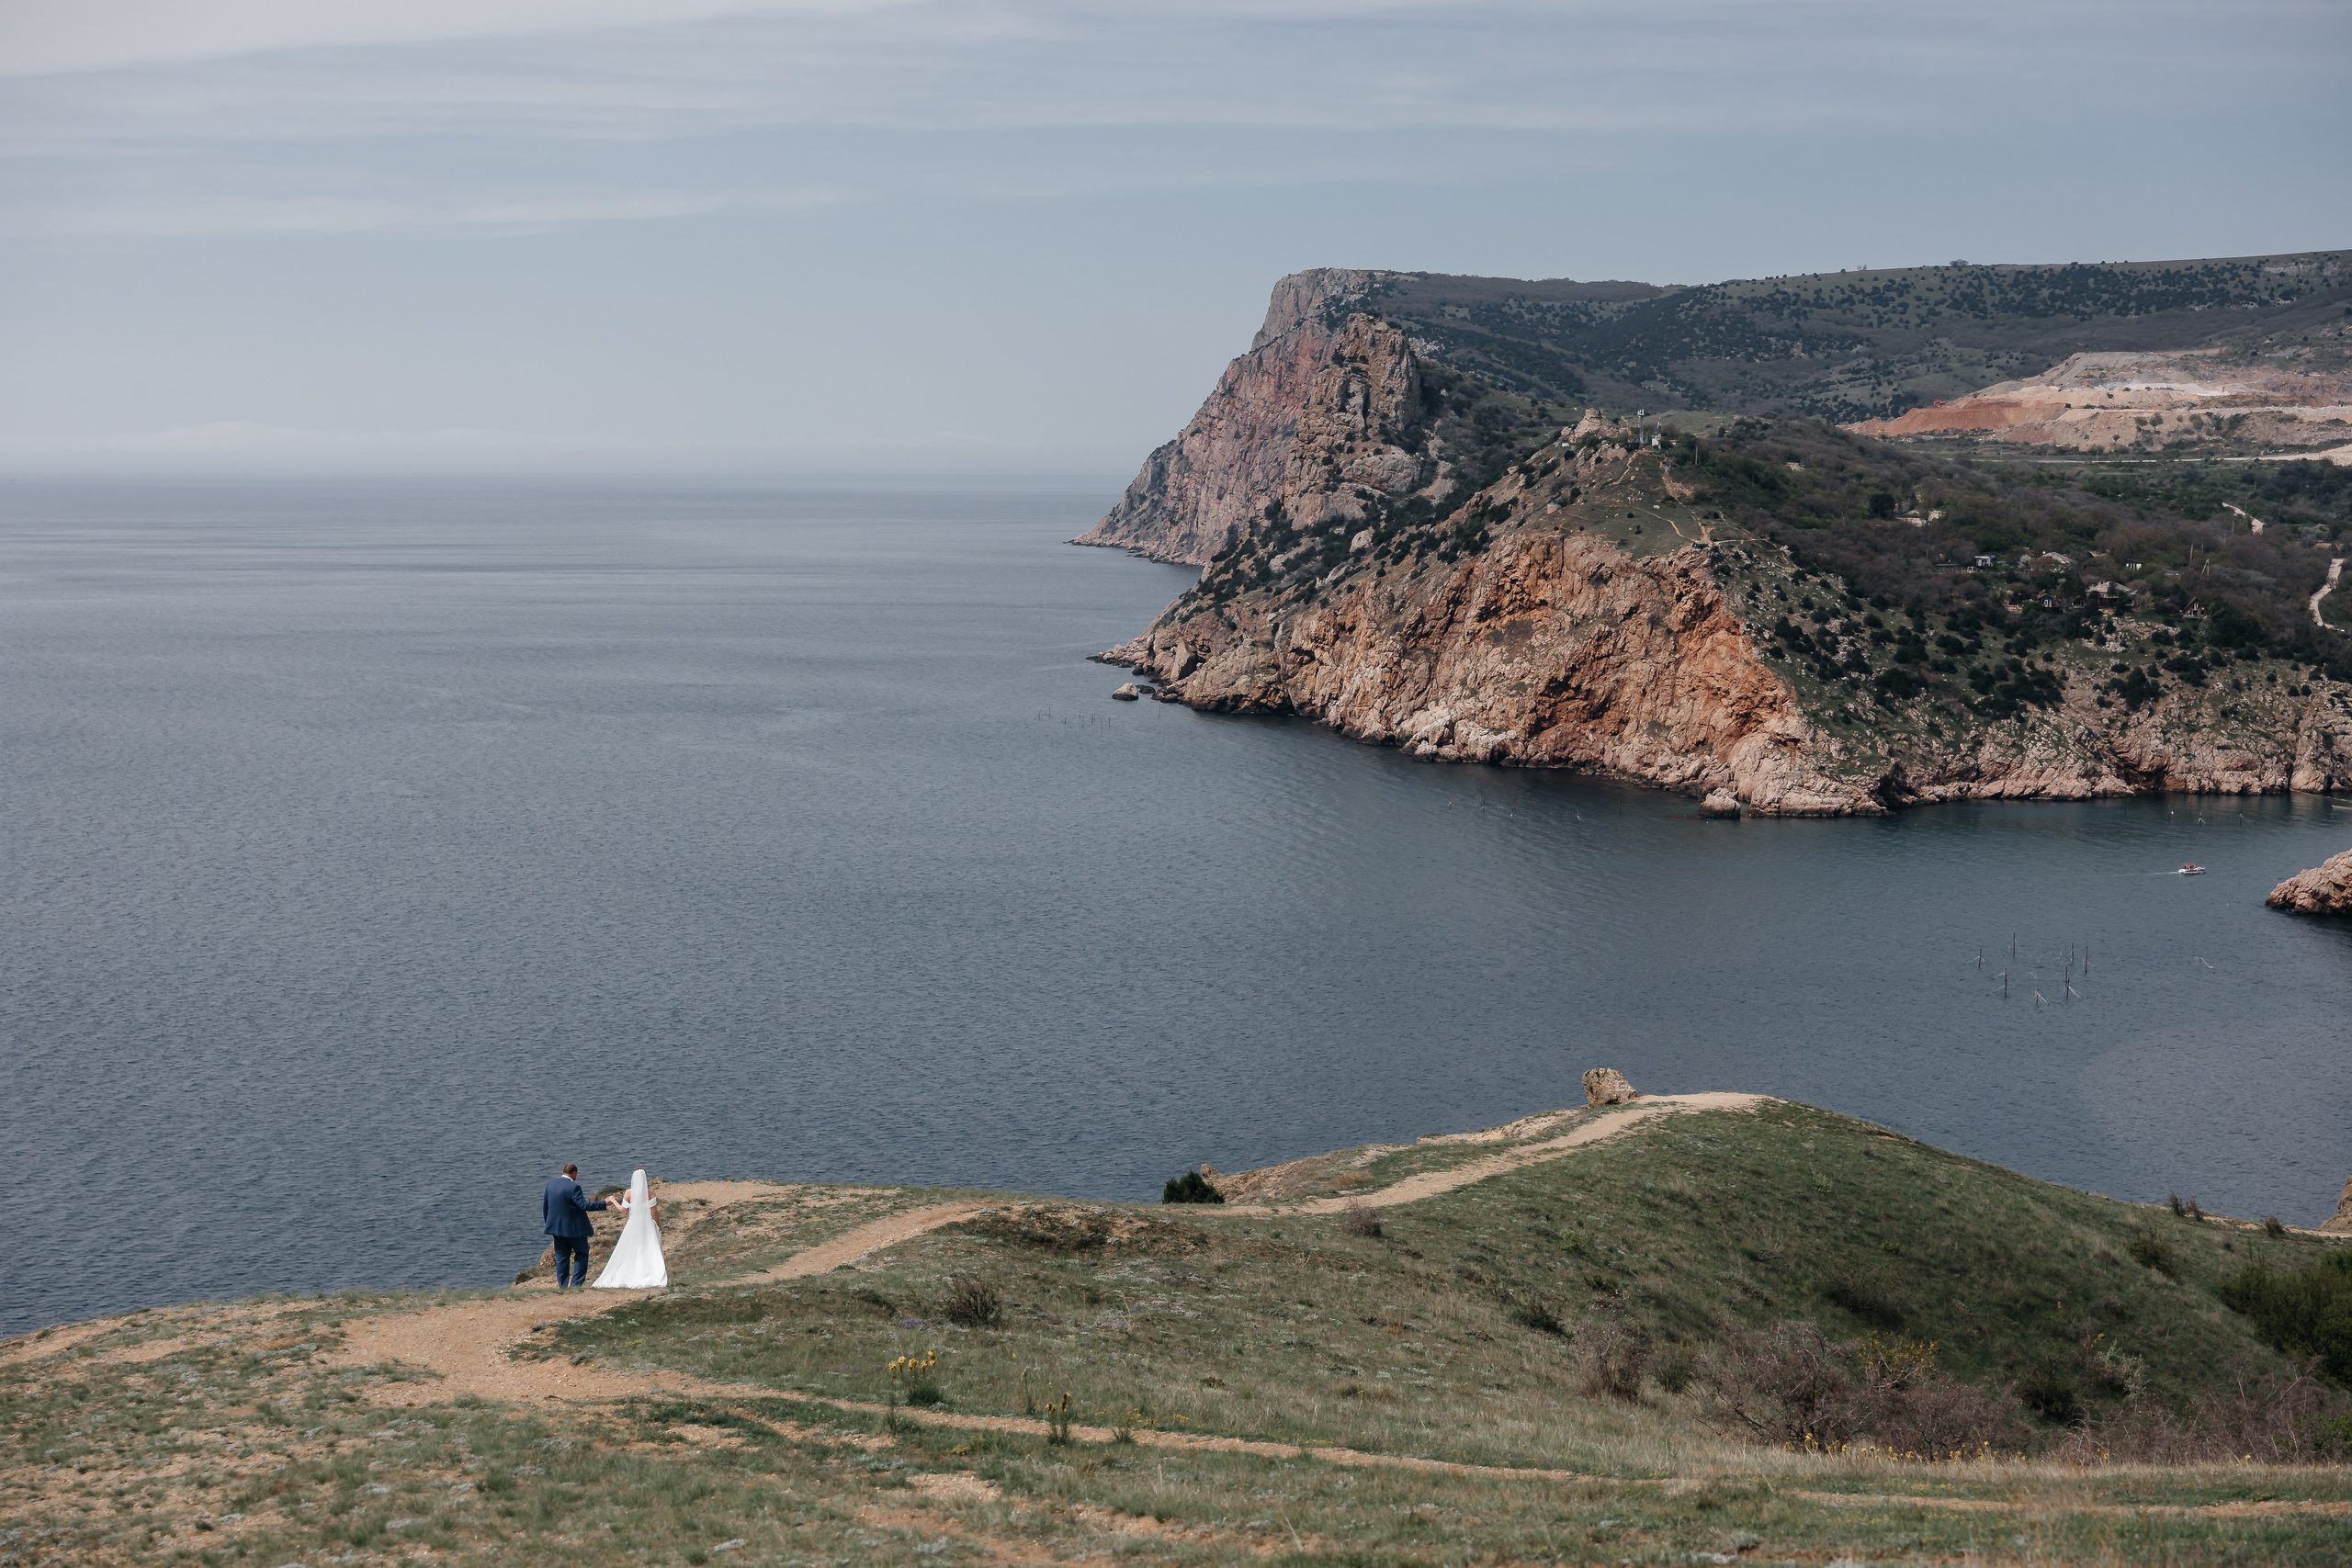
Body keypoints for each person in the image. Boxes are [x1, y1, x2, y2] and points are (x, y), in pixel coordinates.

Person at [591, 1168, 668, 1289]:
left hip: (633, 1224)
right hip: (646, 1224)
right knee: (647, 1249)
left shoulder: (628, 1193)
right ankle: (647, 1273)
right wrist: (658, 1225)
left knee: (631, 1249)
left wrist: (612, 1200)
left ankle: (631, 1273)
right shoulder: (650, 1193)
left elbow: (622, 1210)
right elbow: (654, 1213)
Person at [541, 1163, 610, 1290]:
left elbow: (546, 1206)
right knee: (582, 1253)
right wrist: (604, 1203)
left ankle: (563, 1285)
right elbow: (584, 1205)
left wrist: (549, 1223)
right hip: (574, 1230)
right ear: (574, 1173)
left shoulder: (550, 1185)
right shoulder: (574, 1187)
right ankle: (575, 1284)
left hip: (556, 1228)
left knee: (561, 1257)